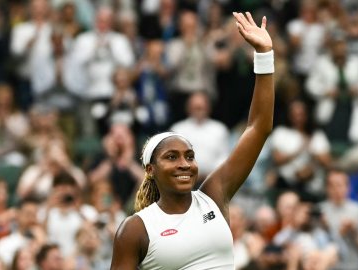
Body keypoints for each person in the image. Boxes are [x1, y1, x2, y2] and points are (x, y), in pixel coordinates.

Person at [110, 11, 275, 269]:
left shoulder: (214, 195)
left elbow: (258, 127)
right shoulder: (135, 229)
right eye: (171, 157)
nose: (184, 163)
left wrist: (264, 55)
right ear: (150, 170)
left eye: (189, 156)